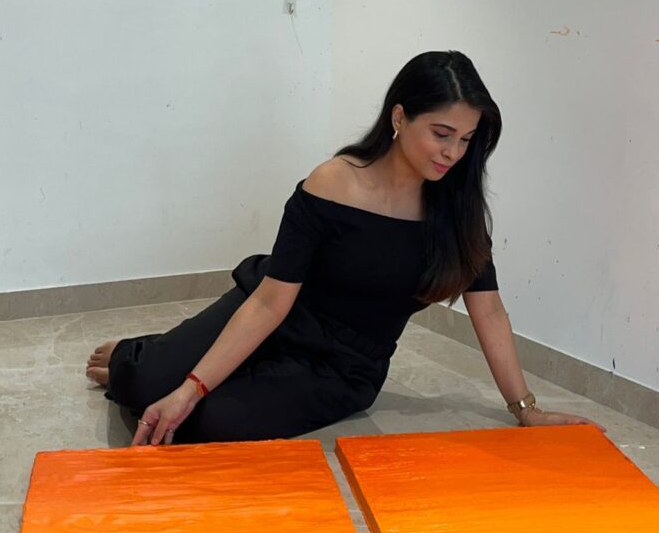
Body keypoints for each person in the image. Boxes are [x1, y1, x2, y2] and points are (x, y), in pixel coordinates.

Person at [86, 50, 603, 445]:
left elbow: (488, 312)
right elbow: (269, 303)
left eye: (466, 139)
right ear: (399, 117)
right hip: (277, 313)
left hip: (341, 368)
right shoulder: (333, 182)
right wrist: (187, 385)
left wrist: (526, 409)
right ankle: (147, 355)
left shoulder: (457, 211)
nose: (453, 152)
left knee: (203, 423)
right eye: (442, 133)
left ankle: (169, 362)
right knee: (147, 384)